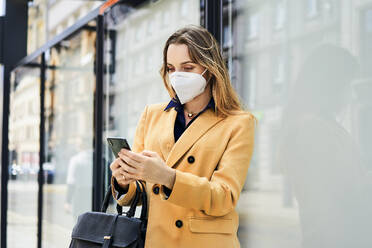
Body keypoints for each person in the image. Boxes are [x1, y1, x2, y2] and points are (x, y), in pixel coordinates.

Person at [109, 24, 257, 248]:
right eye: (171, 68)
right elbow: (141, 192)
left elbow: (224, 197)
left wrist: (168, 177)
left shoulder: (238, 123)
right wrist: (123, 181)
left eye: (188, 67)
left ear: (210, 68)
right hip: (157, 240)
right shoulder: (152, 114)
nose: (177, 76)